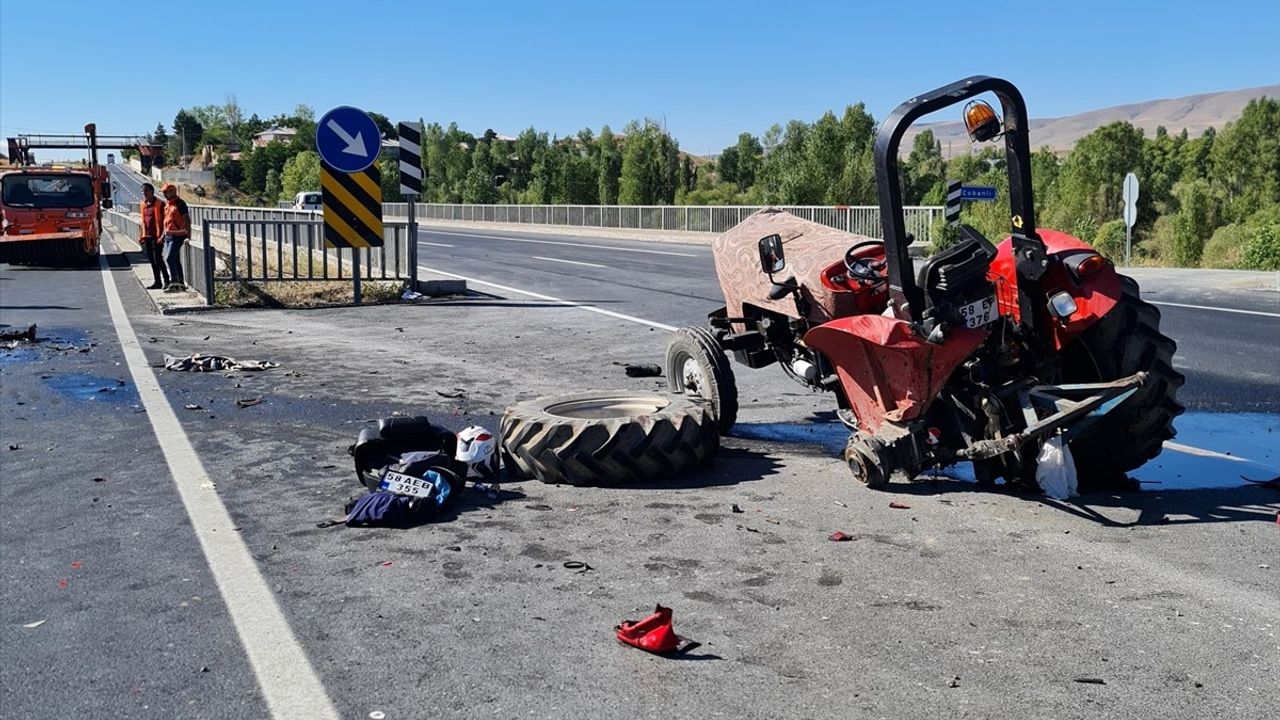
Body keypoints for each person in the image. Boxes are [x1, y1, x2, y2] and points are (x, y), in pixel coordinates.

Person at [160, 183, 191, 292]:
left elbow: (187, 219)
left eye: (166, 192)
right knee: (175, 260)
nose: (164, 194)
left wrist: (189, 235)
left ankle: (174, 282)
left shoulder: (180, 203)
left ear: (172, 192)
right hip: (169, 236)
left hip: (178, 236)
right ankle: (180, 283)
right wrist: (163, 235)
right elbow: (166, 221)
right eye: (163, 192)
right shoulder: (168, 204)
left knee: (169, 258)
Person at [139, 183, 168, 289]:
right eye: (143, 191)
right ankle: (157, 282)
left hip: (157, 236)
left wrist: (163, 235)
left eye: (146, 190)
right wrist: (141, 236)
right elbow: (142, 222)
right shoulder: (142, 204)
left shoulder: (160, 204)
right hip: (147, 236)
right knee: (152, 260)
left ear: (152, 191)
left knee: (158, 259)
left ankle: (167, 280)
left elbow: (166, 221)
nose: (144, 193)